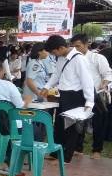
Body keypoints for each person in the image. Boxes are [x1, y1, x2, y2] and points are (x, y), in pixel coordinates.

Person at [40, 35, 95, 163]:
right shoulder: (60, 58)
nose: (54, 55)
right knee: (58, 125)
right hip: (63, 95)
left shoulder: (79, 59)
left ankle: (66, 157)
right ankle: (55, 153)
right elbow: (57, 74)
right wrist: (47, 87)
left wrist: (89, 102)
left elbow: (87, 81)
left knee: (71, 128)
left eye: (54, 52)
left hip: (76, 97)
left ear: (61, 47)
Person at [70, 34, 112, 159]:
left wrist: (104, 82)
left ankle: (97, 150)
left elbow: (108, 73)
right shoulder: (72, 59)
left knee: (98, 123)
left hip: (96, 95)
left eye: (78, 46)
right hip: (79, 94)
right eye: (73, 47)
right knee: (79, 123)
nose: (75, 49)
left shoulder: (97, 58)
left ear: (86, 44)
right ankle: (78, 148)